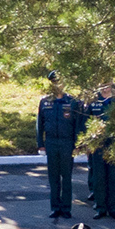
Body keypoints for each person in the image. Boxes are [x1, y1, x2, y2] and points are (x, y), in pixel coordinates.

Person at [36, 72, 86, 218]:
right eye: (54, 82)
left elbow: (78, 124)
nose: (57, 84)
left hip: (67, 142)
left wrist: (78, 143)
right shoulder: (45, 101)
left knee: (66, 176)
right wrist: (41, 144)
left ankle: (66, 208)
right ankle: (55, 207)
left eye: (60, 81)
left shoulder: (72, 101)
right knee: (53, 177)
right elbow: (40, 124)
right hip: (51, 142)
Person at [86, 80, 115, 219]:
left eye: (108, 84)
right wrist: (87, 142)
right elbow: (86, 123)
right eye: (103, 84)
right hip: (98, 144)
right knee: (99, 177)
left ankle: (113, 208)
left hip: (114, 143)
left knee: (114, 177)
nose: (105, 87)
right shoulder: (93, 101)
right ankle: (100, 208)